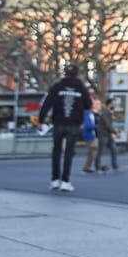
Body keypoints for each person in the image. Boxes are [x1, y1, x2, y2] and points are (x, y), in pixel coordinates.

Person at [37, 63, 93, 193]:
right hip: (73, 124)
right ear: (77, 74)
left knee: (56, 151)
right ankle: (66, 181)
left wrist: (41, 120)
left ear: (65, 73)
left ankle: (55, 180)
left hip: (58, 122)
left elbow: (47, 103)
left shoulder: (57, 87)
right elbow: (88, 104)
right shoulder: (81, 88)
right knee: (69, 152)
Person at [83, 100, 119, 173]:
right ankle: (99, 166)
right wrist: (98, 126)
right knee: (96, 150)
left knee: (93, 152)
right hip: (93, 135)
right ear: (93, 105)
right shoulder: (89, 114)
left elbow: (105, 122)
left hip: (102, 135)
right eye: (97, 104)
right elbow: (87, 126)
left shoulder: (100, 113)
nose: (99, 105)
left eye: (100, 104)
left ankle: (87, 167)